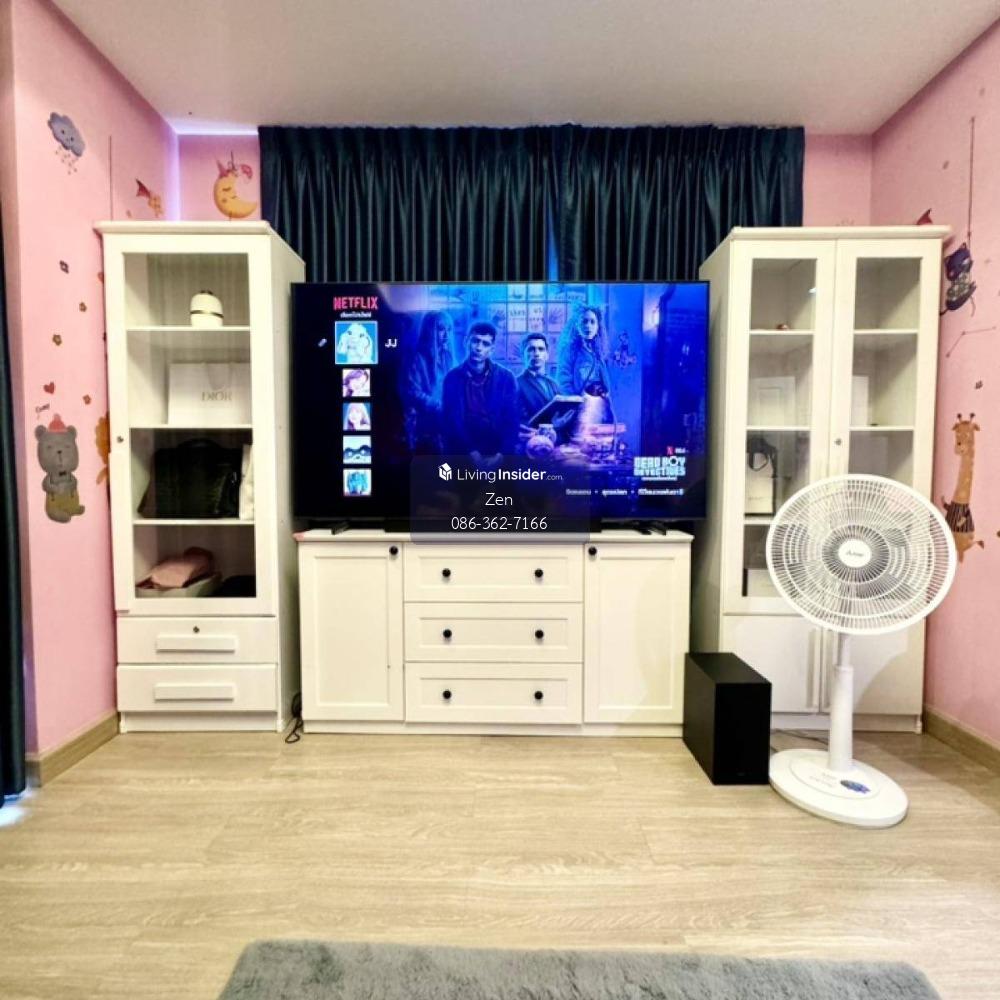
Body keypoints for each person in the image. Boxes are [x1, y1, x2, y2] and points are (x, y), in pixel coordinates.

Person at [440, 321, 518, 462]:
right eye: (475, 341)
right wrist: (472, 453)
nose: (479, 348)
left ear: (491, 349)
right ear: (466, 342)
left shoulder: (506, 378)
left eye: (485, 344)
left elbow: (511, 420)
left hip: (498, 452)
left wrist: (500, 456)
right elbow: (452, 421)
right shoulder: (452, 378)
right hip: (462, 453)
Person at [400, 310, 455, 450]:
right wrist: (437, 406)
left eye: (449, 329)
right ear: (430, 331)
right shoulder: (417, 359)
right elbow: (412, 392)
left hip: (447, 424)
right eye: (441, 329)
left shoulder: (449, 358)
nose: (446, 334)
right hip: (426, 426)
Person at [556, 303, 613, 422]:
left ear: (598, 327)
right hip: (578, 409)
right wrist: (575, 404)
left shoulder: (597, 352)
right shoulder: (570, 350)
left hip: (599, 407)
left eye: (592, 322)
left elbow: (605, 384)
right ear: (577, 325)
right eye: (584, 321)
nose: (588, 326)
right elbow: (563, 381)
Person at [516, 334, 559, 424]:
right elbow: (517, 420)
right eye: (531, 349)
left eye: (541, 349)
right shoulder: (516, 384)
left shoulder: (553, 384)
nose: (536, 354)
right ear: (522, 355)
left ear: (547, 355)